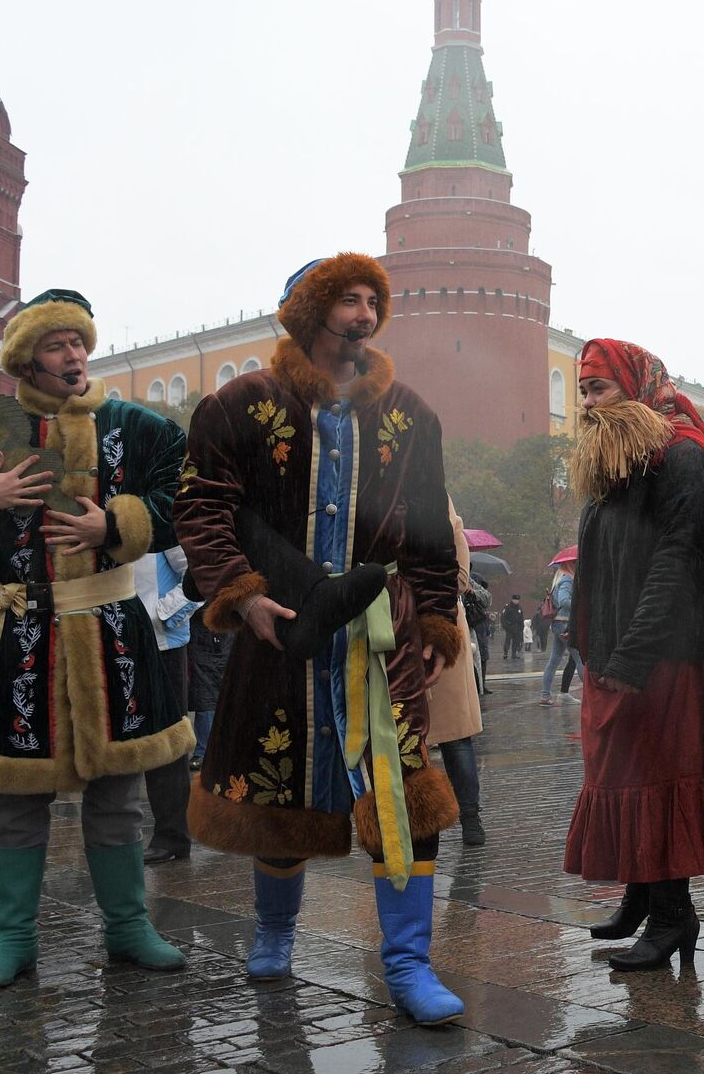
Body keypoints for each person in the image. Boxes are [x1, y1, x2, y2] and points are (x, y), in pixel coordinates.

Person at [175, 252, 465, 1025]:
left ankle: (408, 963)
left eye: (374, 301)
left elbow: (432, 535)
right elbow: (203, 509)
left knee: (402, 794)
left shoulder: (411, 413)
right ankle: (274, 930)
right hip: (281, 632)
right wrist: (243, 596)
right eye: (347, 300)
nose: (364, 314)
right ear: (308, 311)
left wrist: (437, 620)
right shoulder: (239, 405)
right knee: (281, 787)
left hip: (381, 637)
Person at [0, 288, 194, 989]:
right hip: (20, 633)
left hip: (114, 635)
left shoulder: (138, 427)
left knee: (119, 796)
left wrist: (118, 524)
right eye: (55, 345)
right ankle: (12, 938)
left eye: (77, 342)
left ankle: (129, 927)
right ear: (26, 360)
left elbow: (192, 497)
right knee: (16, 798)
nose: (72, 355)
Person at [564, 338, 704, 971]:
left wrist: (633, 654)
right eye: (581, 390)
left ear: (634, 387)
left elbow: (676, 561)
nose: (586, 403)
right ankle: (644, 893)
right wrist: (594, 644)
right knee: (631, 774)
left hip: (676, 653)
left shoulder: (684, 457)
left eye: (598, 389)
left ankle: (672, 917)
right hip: (629, 650)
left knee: (660, 776)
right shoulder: (623, 461)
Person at [135, 545, 199, 864]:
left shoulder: (162, 511)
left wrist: (162, 614)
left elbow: (199, 571)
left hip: (164, 646)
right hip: (119, 642)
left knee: (168, 744)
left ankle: (173, 835)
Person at [430, 502, 487, 847]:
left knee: (452, 737)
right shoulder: (435, 492)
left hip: (432, 622)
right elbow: (459, 545)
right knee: (454, 738)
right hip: (444, 615)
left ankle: (469, 817)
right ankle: (468, 818)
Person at [185, 606, 230, 769]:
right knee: (204, 694)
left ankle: (213, 751)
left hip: (224, 628)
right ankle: (204, 752)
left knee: (226, 693)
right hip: (201, 632)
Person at [538, 563, 575, 706]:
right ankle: (593, 698)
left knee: (554, 660)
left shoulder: (558, 579)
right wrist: (580, 603)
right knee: (579, 658)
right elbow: (564, 601)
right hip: (565, 624)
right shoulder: (567, 579)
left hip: (557, 624)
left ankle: (545, 695)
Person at [500, 595, 524, 660]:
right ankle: (505, 652)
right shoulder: (508, 607)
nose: (516, 601)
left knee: (516, 642)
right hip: (509, 627)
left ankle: (514, 653)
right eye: (515, 600)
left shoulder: (519, 608)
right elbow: (503, 618)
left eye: (518, 600)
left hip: (517, 628)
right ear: (512, 600)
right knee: (507, 641)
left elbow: (521, 618)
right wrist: (506, 626)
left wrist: (521, 628)